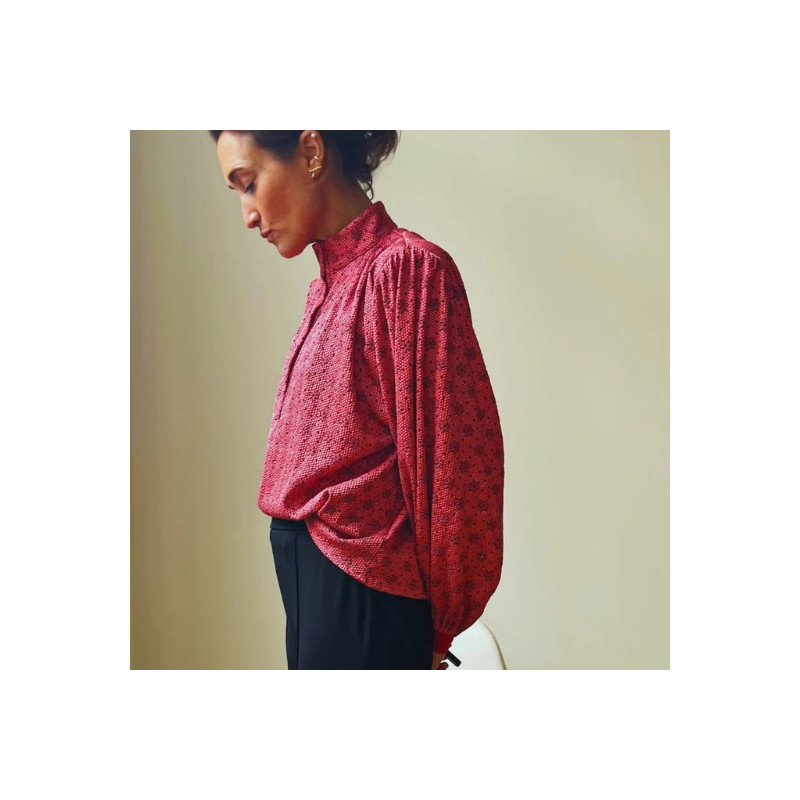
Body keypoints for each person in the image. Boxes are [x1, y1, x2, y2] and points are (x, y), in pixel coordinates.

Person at [211, 130, 504, 669]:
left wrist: (439, 629)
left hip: (366, 604)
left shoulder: (407, 271)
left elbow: (456, 470)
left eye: (248, 183)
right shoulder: (329, 287)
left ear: (311, 151)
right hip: (318, 600)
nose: (248, 215)